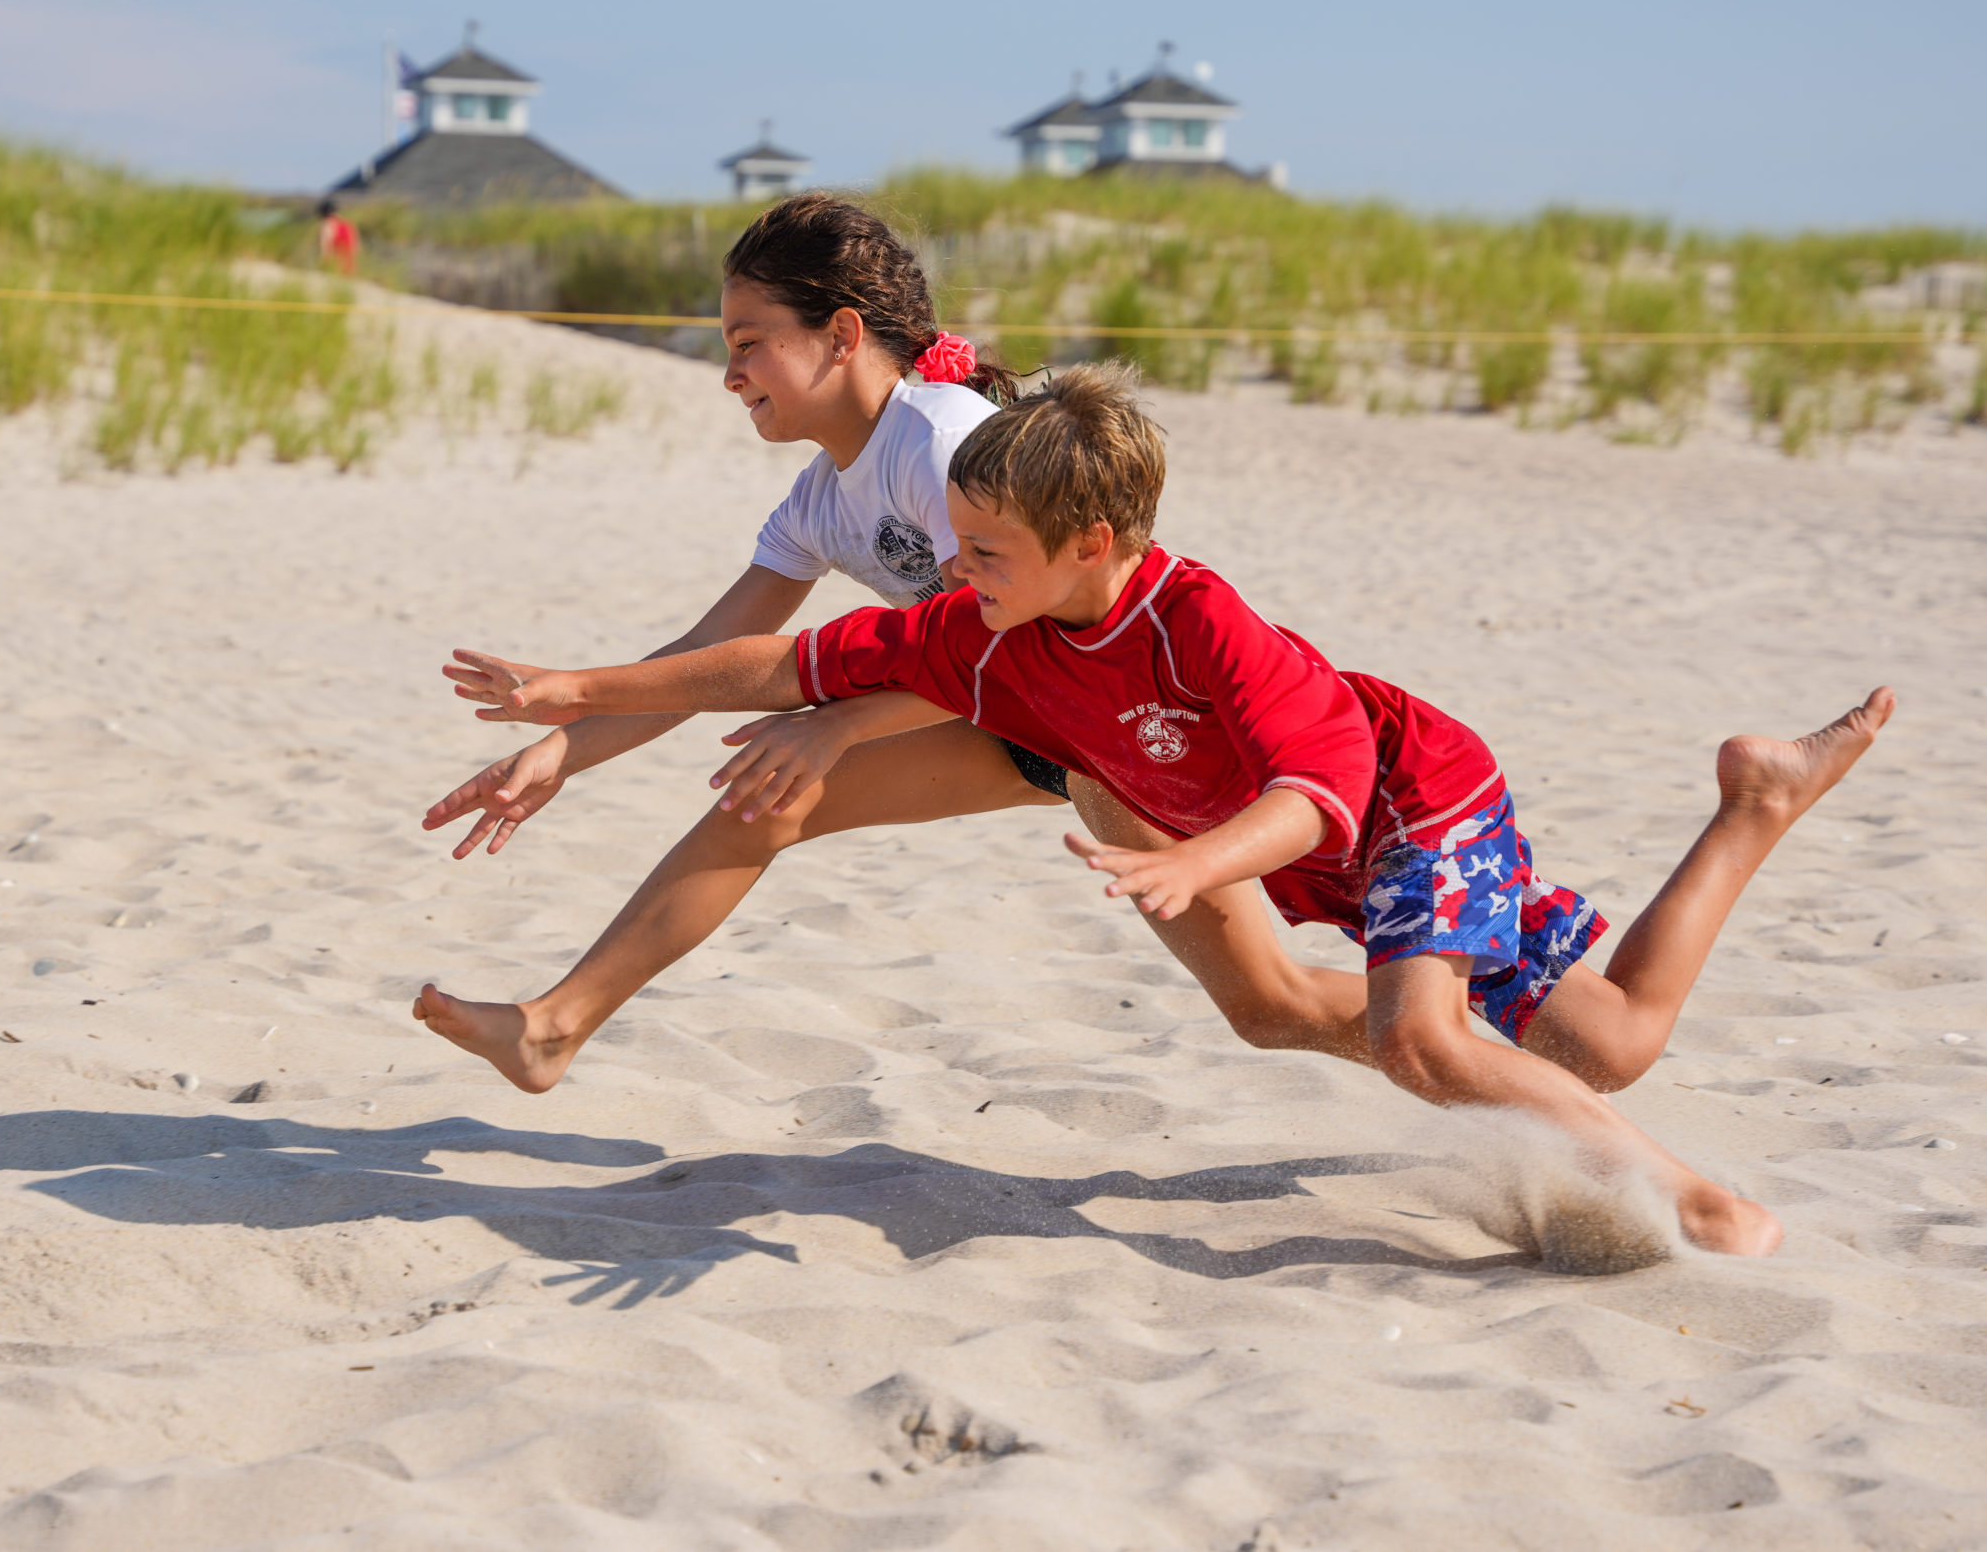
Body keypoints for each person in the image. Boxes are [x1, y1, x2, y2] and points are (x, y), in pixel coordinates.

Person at [441, 364, 1894, 1257]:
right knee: (1605, 1040)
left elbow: (1318, 800)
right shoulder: (984, 630)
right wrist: (580, 685)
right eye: (955, 548)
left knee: (1421, 1035)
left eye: (987, 551)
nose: (959, 575)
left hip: (1414, 807)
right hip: (1280, 842)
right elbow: (779, 658)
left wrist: (1196, 855)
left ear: (1092, 546)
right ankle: (1756, 803)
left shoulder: (1209, 626)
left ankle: (1696, 1206)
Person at [413, 195, 1356, 1095]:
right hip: (1037, 733)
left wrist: (843, 725)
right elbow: (706, 653)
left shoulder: (942, 442)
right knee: (770, 797)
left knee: (1273, 1006)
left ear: (842, 335)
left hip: (1127, 726)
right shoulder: (823, 497)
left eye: (749, 345)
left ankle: (1487, 1040)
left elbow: (1005, 638)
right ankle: (554, 1027)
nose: (730, 374)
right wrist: (562, 750)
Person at [318, 199, 359, 277]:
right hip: (350, 267)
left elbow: (325, 246)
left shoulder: (327, 224)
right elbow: (356, 247)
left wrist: (324, 264)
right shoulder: (348, 225)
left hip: (336, 266)